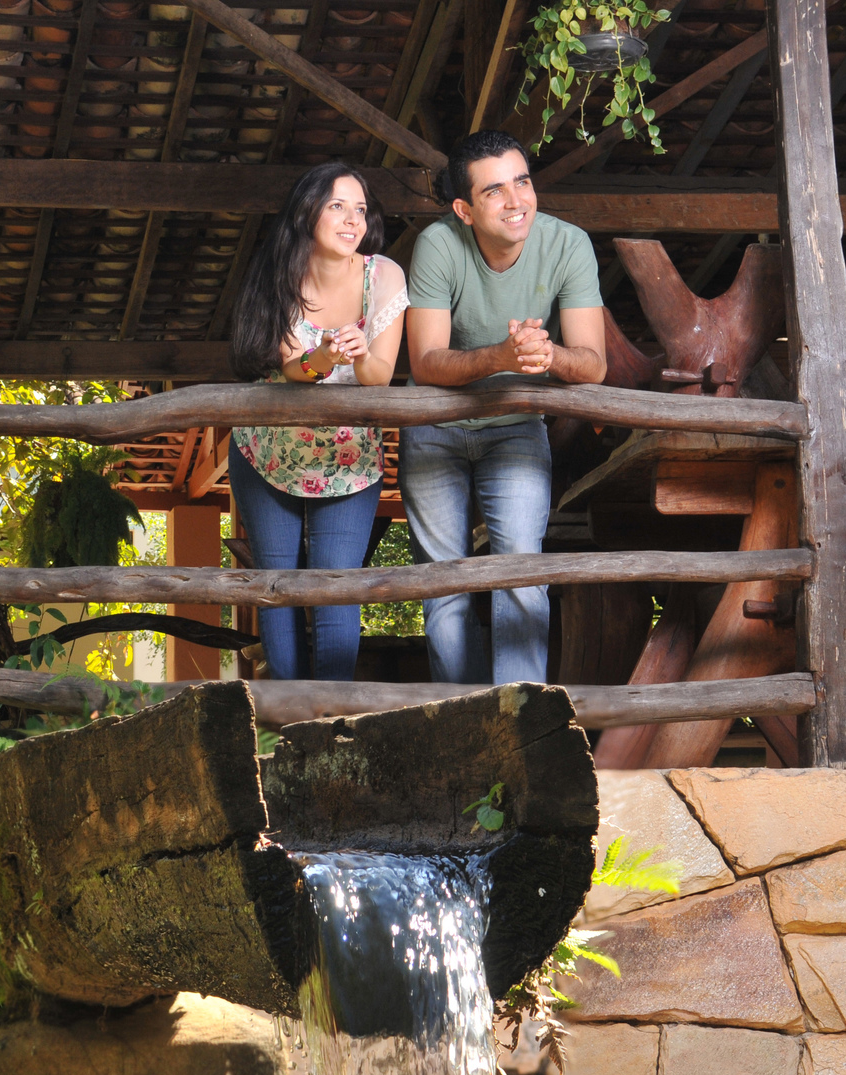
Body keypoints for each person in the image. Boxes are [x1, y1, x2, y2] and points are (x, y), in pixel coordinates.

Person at [403, 130, 606, 685]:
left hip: (516, 426)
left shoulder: (569, 244)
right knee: (442, 585)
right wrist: (503, 355)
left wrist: (549, 354)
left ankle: (522, 717)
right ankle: (457, 721)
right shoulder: (438, 244)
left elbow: (593, 365)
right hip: (435, 425)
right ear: (464, 210)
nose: (517, 201)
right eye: (495, 191)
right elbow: (425, 362)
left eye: (522, 181)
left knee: (521, 572)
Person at [227, 162, 408, 680]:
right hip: (269, 452)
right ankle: (284, 720)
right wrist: (324, 358)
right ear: (308, 212)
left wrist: (357, 355)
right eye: (336, 206)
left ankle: (329, 723)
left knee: (337, 593)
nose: (352, 219)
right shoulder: (281, 269)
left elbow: (378, 378)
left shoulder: (385, 275)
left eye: (360, 209)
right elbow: (292, 370)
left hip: (350, 459)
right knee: (277, 591)